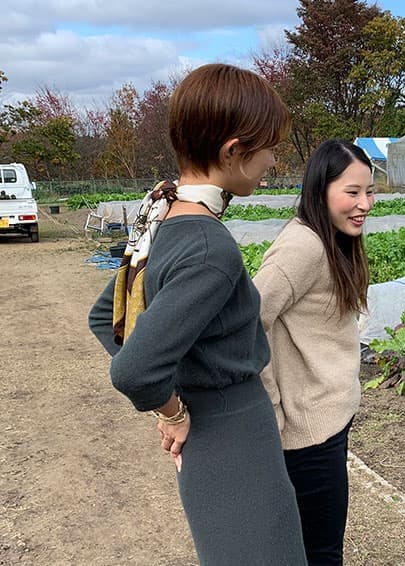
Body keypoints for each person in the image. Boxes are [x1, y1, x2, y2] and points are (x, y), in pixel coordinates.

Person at [88, 63, 307, 565]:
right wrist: (172, 410)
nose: (274, 159)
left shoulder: (164, 219)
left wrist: (175, 395)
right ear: (233, 151)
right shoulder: (211, 246)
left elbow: (108, 317)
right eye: (270, 147)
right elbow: (136, 369)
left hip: (211, 439)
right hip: (232, 434)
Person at [253, 139, 374, 565]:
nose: (364, 204)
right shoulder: (302, 247)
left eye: (369, 191)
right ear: (320, 190)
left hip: (329, 420)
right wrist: (273, 406)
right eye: (352, 192)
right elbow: (249, 323)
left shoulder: (331, 240)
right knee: (320, 554)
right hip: (307, 437)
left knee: (317, 547)